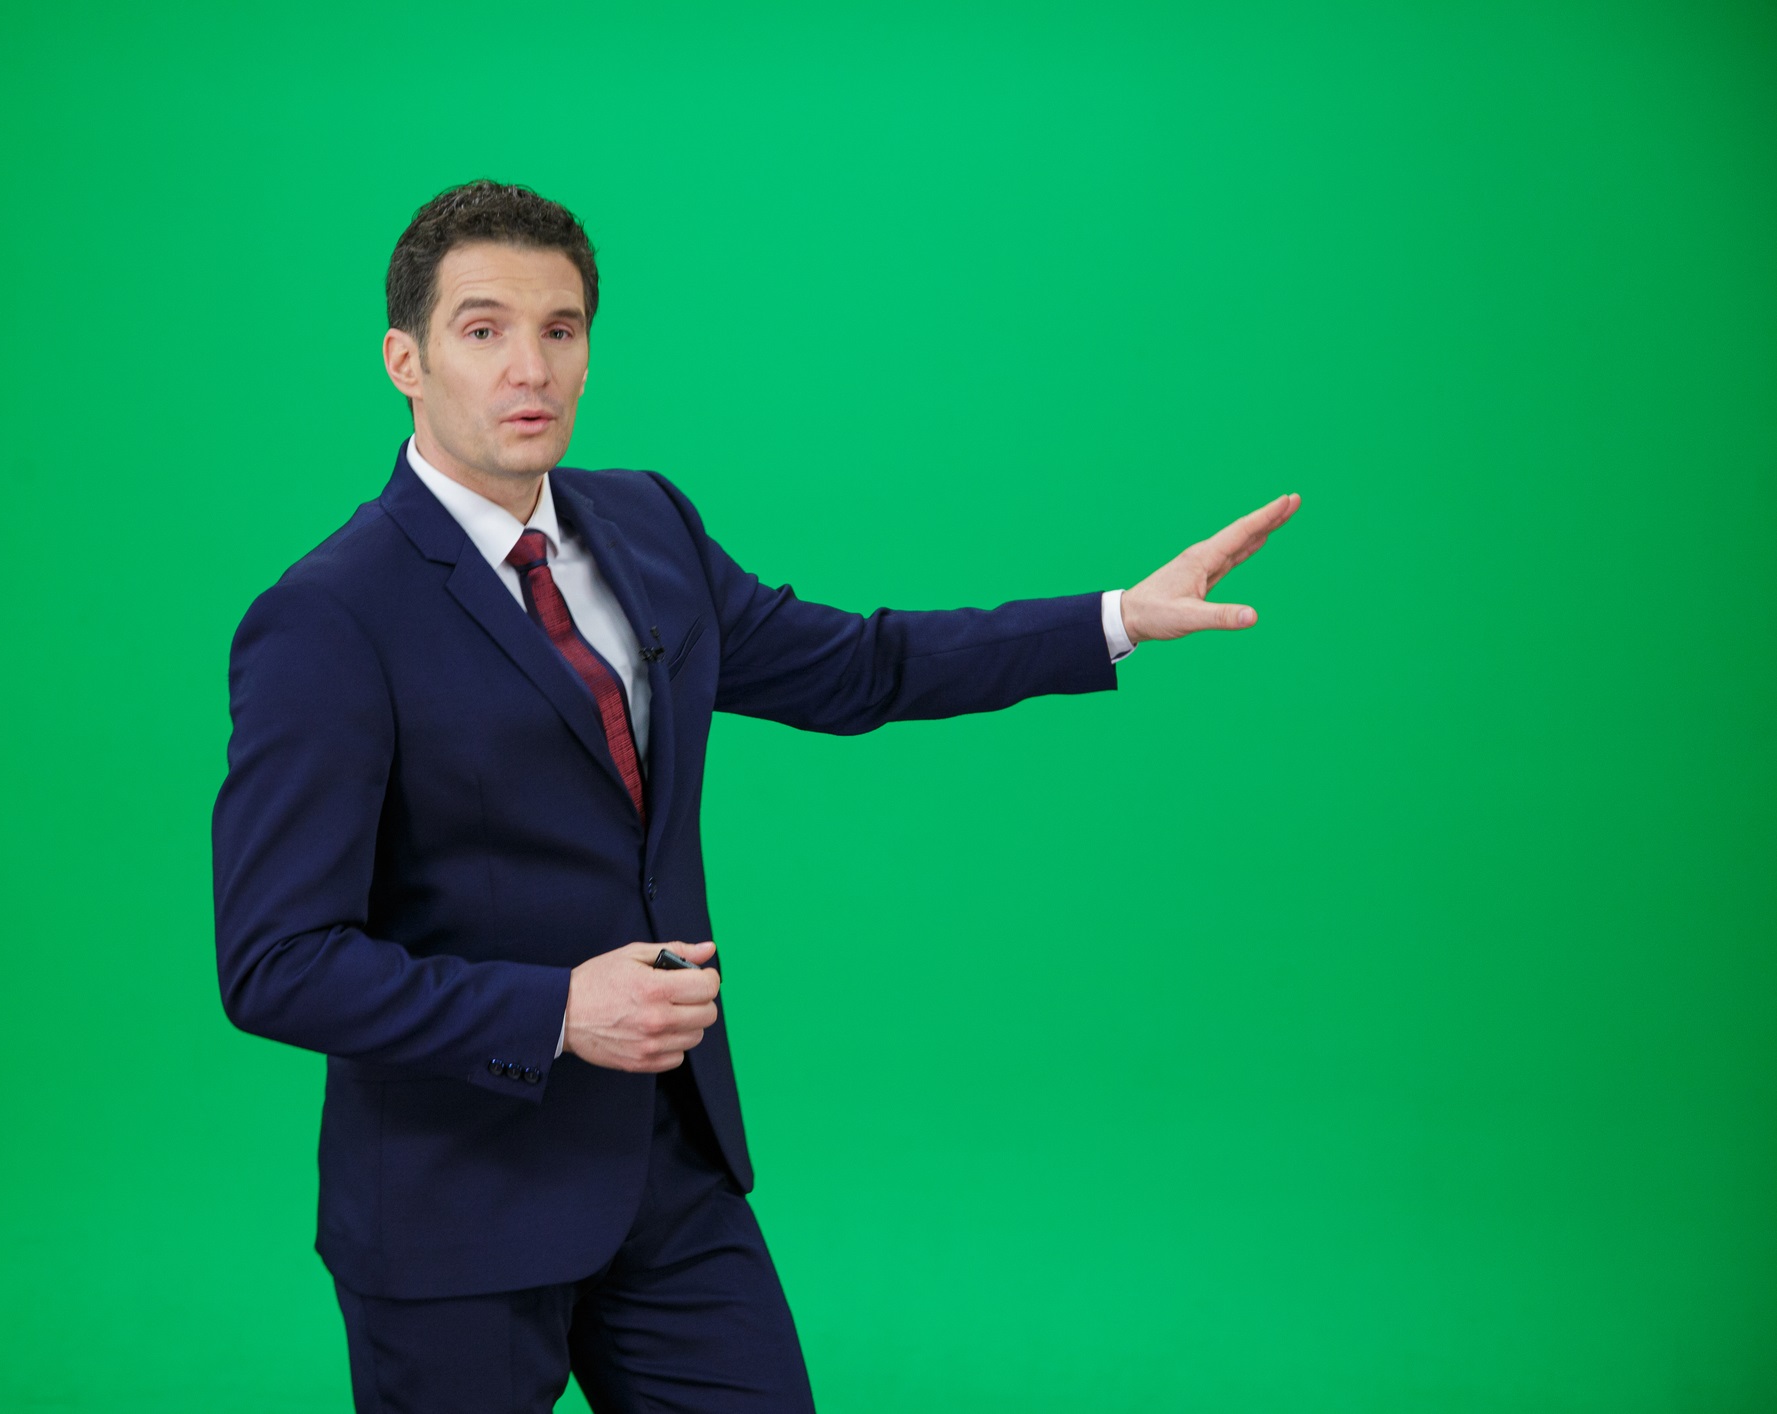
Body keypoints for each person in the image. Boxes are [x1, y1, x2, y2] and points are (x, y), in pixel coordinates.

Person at [210, 179, 1300, 1413]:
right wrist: (558, 1010)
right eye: (483, 329)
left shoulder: (647, 524)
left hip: (668, 1172)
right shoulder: (329, 617)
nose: (532, 367)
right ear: (404, 359)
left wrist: (1110, 621)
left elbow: (860, 666)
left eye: (561, 330)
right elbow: (275, 961)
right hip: (455, 1211)